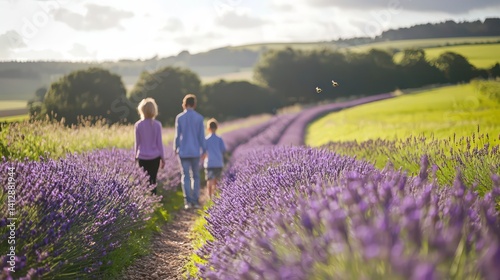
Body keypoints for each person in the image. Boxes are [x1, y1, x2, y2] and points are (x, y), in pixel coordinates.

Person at [174, 94, 206, 209]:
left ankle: (187, 201)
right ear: (194, 104)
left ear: (184, 104)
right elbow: (201, 136)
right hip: (195, 151)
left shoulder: (180, 117)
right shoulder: (199, 118)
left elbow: (177, 135)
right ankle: (195, 201)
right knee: (196, 176)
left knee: (185, 176)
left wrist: (175, 147)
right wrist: (204, 150)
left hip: (183, 151)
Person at [134, 98, 165, 195]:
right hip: (155, 157)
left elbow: (137, 143)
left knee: (144, 181)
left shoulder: (138, 125)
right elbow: (159, 143)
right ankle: (153, 201)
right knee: (153, 180)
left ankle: (145, 201)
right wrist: (163, 158)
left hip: (142, 157)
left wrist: (135, 156)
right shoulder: (157, 125)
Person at [204, 118, 226, 200]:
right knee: (217, 180)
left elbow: (203, 151)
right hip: (218, 162)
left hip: (209, 163)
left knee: (209, 180)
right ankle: (215, 197)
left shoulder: (206, 139)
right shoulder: (219, 139)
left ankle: (209, 196)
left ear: (208, 128)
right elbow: (224, 149)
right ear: (216, 128)